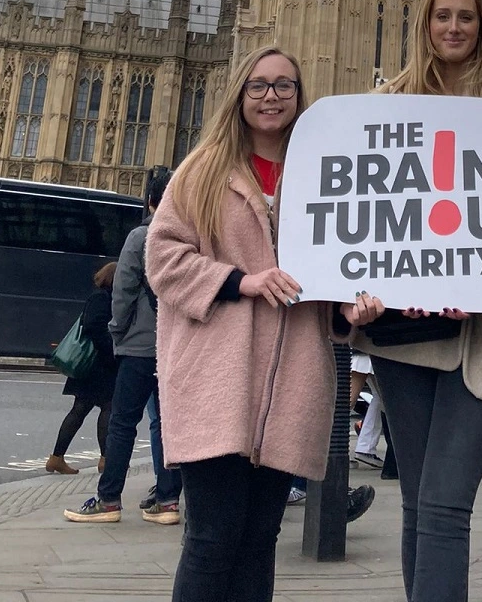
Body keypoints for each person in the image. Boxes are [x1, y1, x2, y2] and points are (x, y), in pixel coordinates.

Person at [146, 46, 384, 602]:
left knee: (260, 539)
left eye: (283, 85)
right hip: (215, 384)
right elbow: (163, 259)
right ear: (240, 95)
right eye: (258, 86)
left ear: (300, 97)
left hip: (293, 385)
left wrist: (350, 313)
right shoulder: (204, 169)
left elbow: (336, 280)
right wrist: (239, 281)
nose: (271, 96)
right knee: (211, 538)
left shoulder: (327, 175)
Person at [353, 0, 482, 602]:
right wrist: (363, 290)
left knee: (441, 506)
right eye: (443, 17)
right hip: (406, 342)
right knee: (417, 503)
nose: (455, 28)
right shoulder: (387, 107)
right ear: (425, 26)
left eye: (466, 17)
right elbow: (367, 220)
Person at [64, 170, 182, 524]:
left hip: (141, 347)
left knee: (122, 423)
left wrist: (119, 332)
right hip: (176, 348)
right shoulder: (191, 237)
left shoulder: (141, 236)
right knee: (168, 424)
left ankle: (109, 499)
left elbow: (124, 291)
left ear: (150, 201)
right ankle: (168, 500)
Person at [47, 261, 119, 474]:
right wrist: (111, 351)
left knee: (80, 409)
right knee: (108, 407)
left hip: (90, 366)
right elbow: (94, 327)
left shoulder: (100, 297)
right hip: (98, 365)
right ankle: (105, 459)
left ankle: (56, 457)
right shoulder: (102, 298)